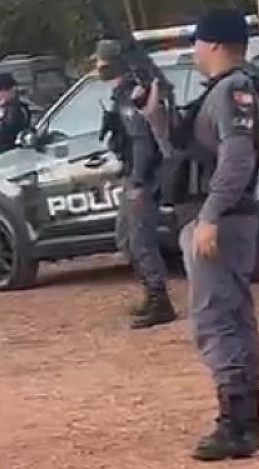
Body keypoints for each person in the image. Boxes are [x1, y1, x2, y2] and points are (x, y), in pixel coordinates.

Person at [141, 9, 259, 461]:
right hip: (217, 217)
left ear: (212, 44)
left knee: (217, 318)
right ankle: (245, 419)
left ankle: (236, 424)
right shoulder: (221, 92)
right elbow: (187, 156)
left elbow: (236, 160)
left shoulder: (232, 91)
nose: (194, 51)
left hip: (221, 221)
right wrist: (156, 117)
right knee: (232, 314)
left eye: (197, 43)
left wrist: (211, 214)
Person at [95, 40, 176, 330]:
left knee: (141, 241)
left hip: (143, 178)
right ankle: (150, 292)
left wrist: (140, 181)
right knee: (126, 238)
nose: (97, 66)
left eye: (101, 61)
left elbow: (142, 142)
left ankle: (160, 300)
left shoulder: (131, 95)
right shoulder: (124, 93)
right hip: (134, 175)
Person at [0, 73, 31, 158]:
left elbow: (6, 138)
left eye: (0, 90)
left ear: (12, 90)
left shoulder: (17, 112)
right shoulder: (4, 109)